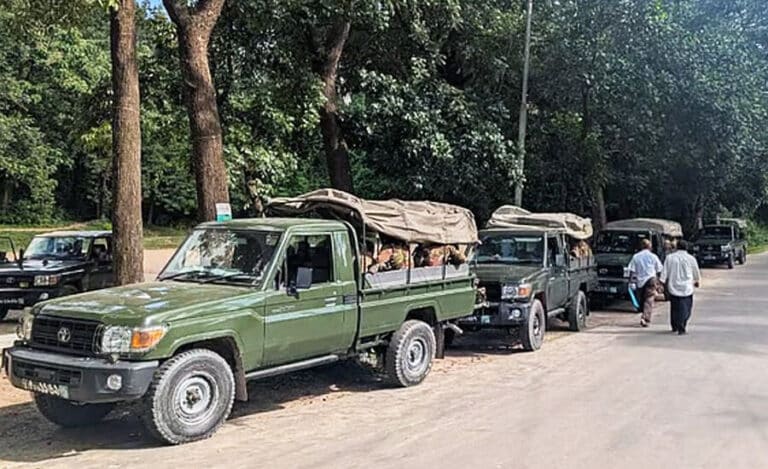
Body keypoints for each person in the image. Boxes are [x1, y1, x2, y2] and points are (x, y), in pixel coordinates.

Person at [660, 240, 701, 335]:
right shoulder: (691, 258)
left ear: (676, 247)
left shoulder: (669, 258)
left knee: (675, 308)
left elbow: (664, 272)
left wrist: (661, 282)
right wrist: (697, 280)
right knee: (686, 308)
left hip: (673, 286)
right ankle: (681, 325)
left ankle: (675, 325)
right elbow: (695, 270)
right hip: (687, 287)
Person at [628, 238, 663, 327]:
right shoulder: (653, 256)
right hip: (651, 279)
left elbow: (632, 270)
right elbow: (659, 269)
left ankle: (643, 315)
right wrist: (659, 281)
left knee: (641, 298)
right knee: (649, 299)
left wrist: (630, 281)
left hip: (640, 281)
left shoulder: (636, 256)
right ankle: (645, 317)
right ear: (649, 247)